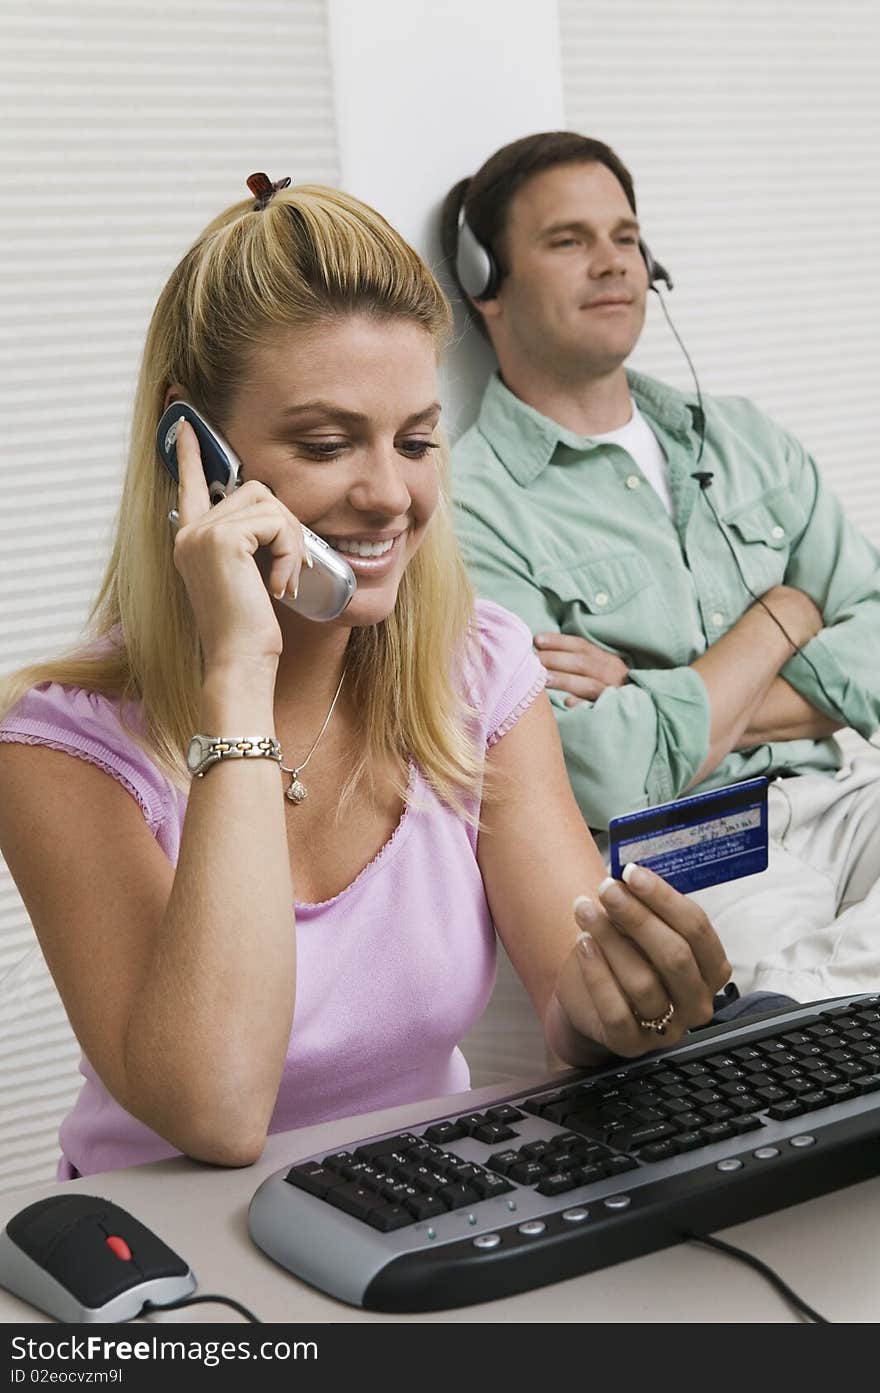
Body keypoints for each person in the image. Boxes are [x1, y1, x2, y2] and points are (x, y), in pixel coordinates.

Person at [0, 179, 743, 1181]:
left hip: (420, 1208)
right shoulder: (60, 745)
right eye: (326, 442)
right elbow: (216, 1111)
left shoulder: (476, 670)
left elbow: (575, 1007)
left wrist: (630, 1002)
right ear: (195, 450)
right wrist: (239, 676)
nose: (389, 495)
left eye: (416, 440)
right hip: (178, 1267)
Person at [443, 132, 880, 1006]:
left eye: (626, 237)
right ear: (486, 282)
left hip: (840, 798)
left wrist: (658, 693)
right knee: (800, 1020)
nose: (612, 264)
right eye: (568, 241)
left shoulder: (742, 437)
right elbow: (597, 766)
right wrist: (784, 616)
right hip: (687, 853)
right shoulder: (470, 506)